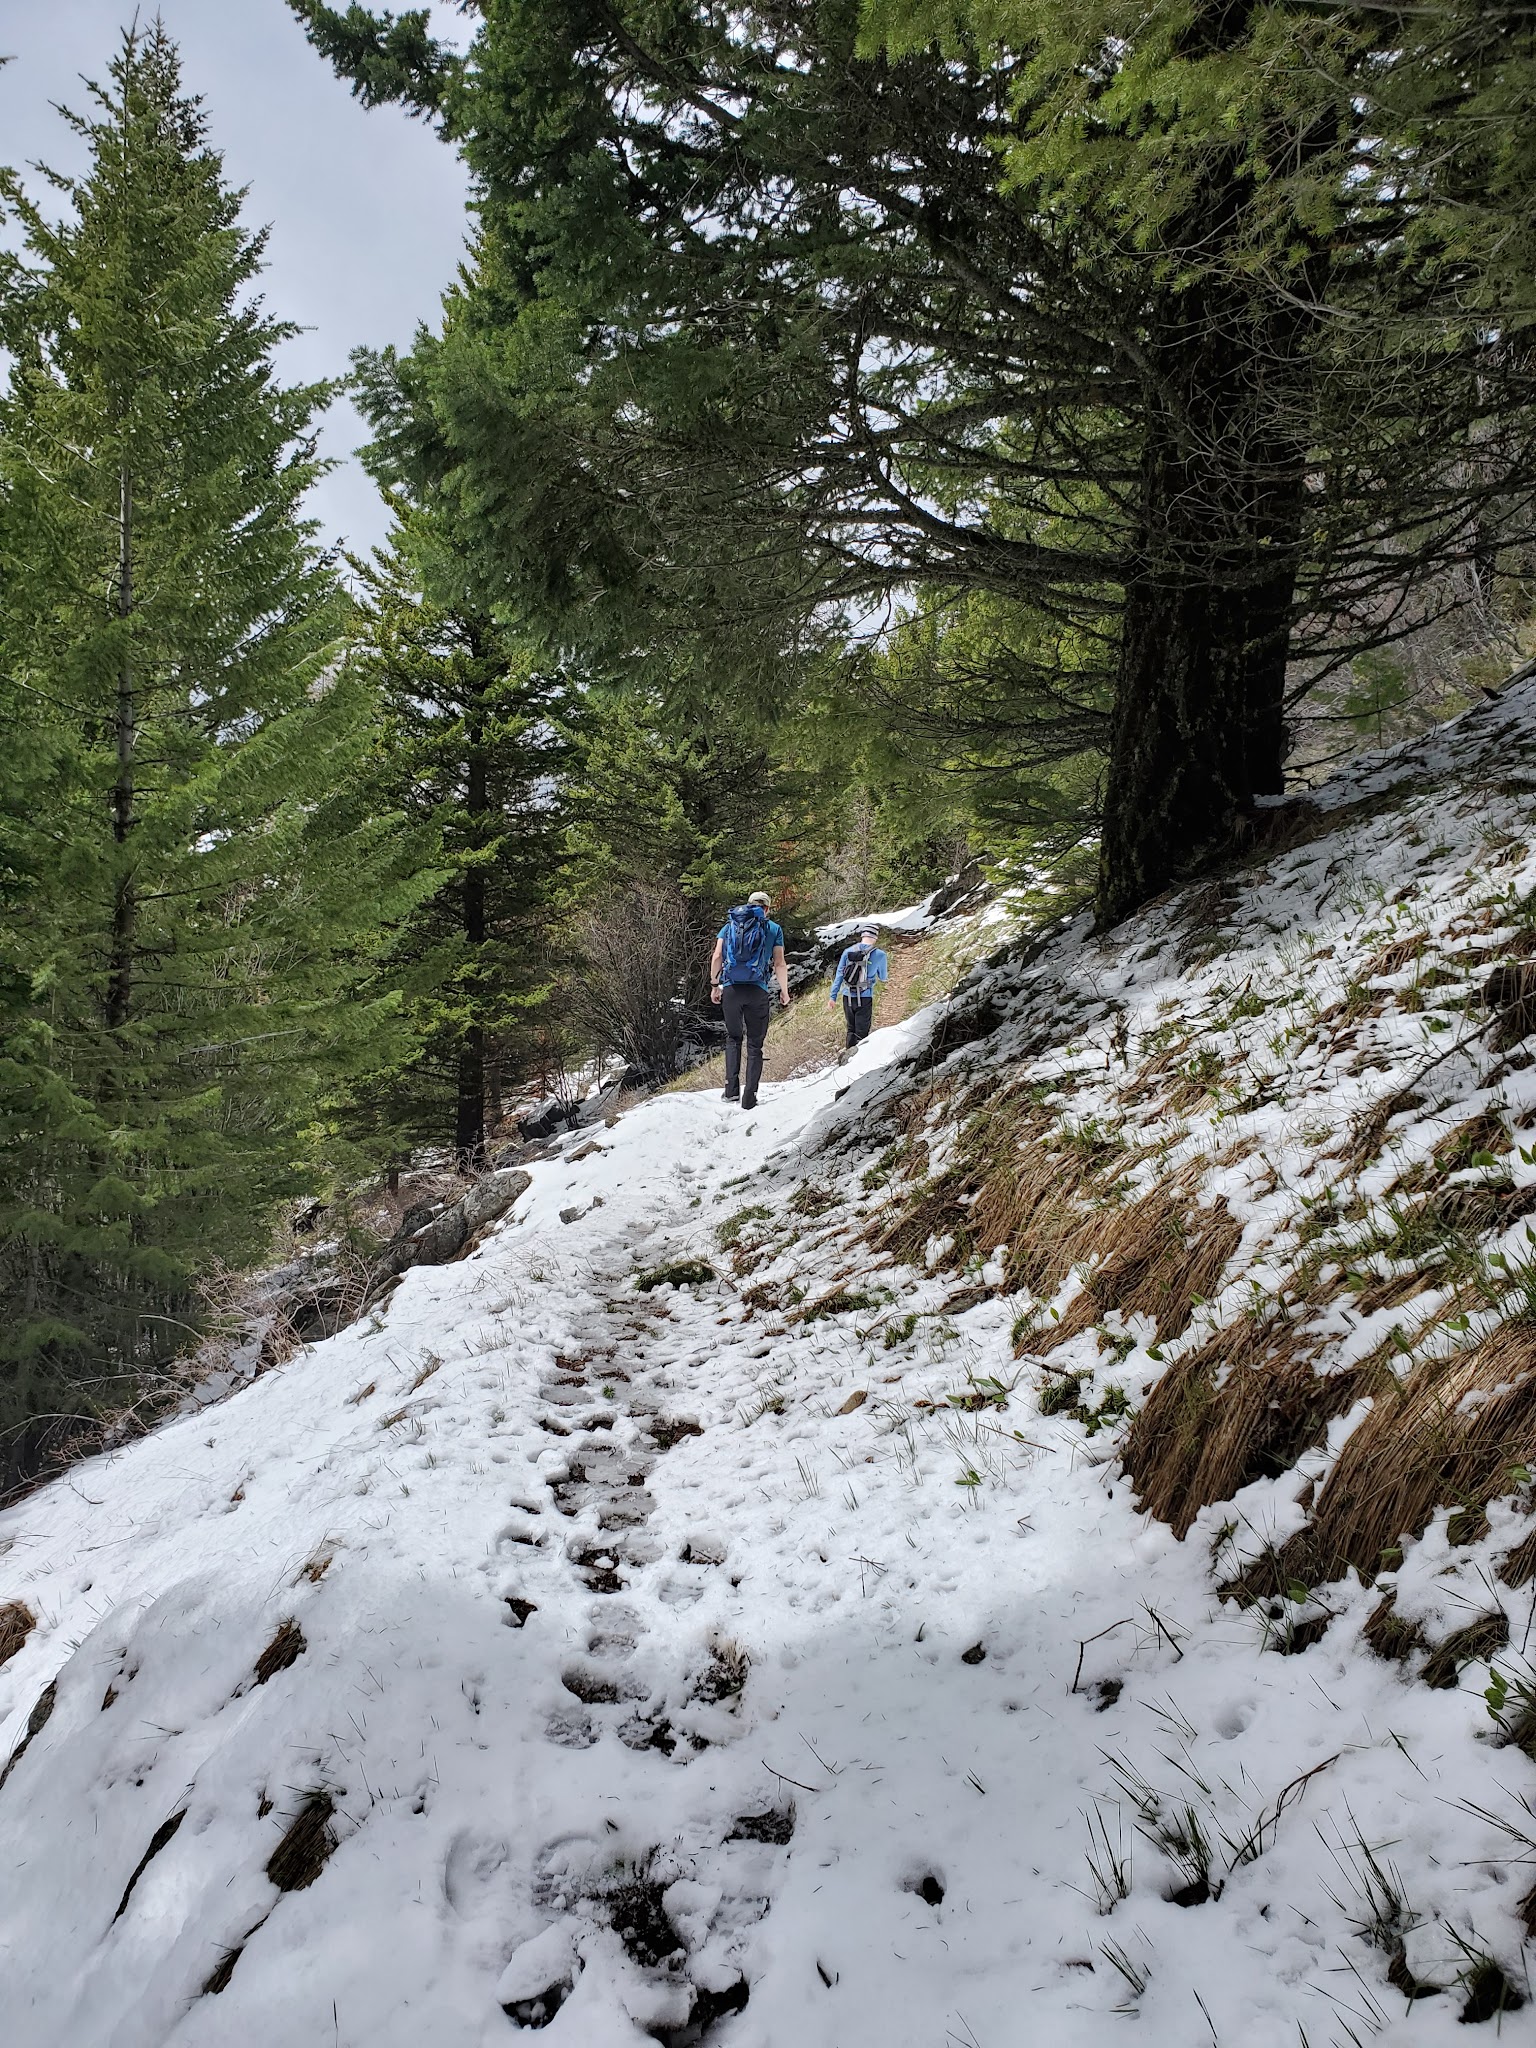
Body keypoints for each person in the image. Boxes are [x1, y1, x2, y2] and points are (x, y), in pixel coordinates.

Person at [710, 890, 790, 1109]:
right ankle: (750, 1097)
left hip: (732, 989)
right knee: (755, 1044)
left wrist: (715, 985)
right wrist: (784, 990)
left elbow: (717, 956)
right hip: (758, 990)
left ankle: (731, 1091)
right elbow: (780, 963)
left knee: (733, 1038)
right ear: (767, 908)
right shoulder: (773, 929)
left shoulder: (729, 926)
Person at [829, 924, 888, 1057]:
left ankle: (848, 1058)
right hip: (865, 996)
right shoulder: (880, 954)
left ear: (862, 935)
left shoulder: (848, 951)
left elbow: (839, 975)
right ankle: (860, 1059)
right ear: (875, 937)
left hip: (847, 996)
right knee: (862, 1031)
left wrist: (832, 997)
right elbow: (884, 977)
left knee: (851, 1029)